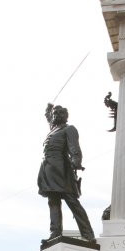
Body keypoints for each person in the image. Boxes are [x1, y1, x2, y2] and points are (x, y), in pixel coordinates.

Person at [38, 104, 95, 243]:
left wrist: (76, 162)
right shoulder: (52, 130)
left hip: (62, 170)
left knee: (71, 201)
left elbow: (74, 147)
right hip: (48, 169)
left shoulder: (69, 129)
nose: (56, 114)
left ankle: (88, 234)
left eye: (59, 112)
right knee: (53, 201)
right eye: (54, 113)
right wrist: (48, 110)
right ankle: (55, 232)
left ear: (65, 115)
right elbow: (49, 119)